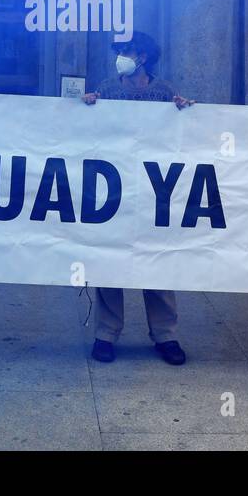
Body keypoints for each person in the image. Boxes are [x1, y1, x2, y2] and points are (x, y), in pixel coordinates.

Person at [82, 31, 194, 366]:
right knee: (110, 258)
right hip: (114, 189)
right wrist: (86, 107)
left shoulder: (164, 91)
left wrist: (184, 110)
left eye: (126, 51)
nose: (120, 56)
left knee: (156, 259)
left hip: (153, 190)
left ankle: (165, 334)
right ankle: (107, 332)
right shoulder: (107, 88)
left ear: (142, 56)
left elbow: (181, 135)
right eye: (118, 50)